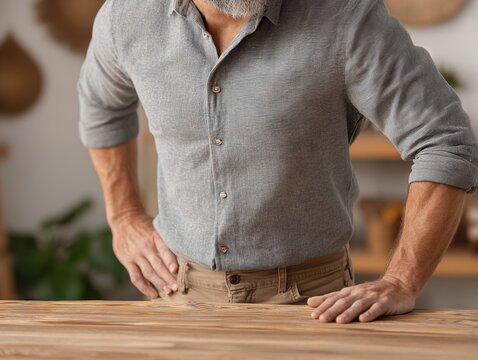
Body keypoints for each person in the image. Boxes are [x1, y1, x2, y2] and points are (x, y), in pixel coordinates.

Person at [77, 0, 478, 323]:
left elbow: (444, 141)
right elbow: (101, 105)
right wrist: (124, 215)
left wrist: (402, 280)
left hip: (315, 306)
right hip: (174, 295)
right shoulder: (127, 15)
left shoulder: (347, 17)